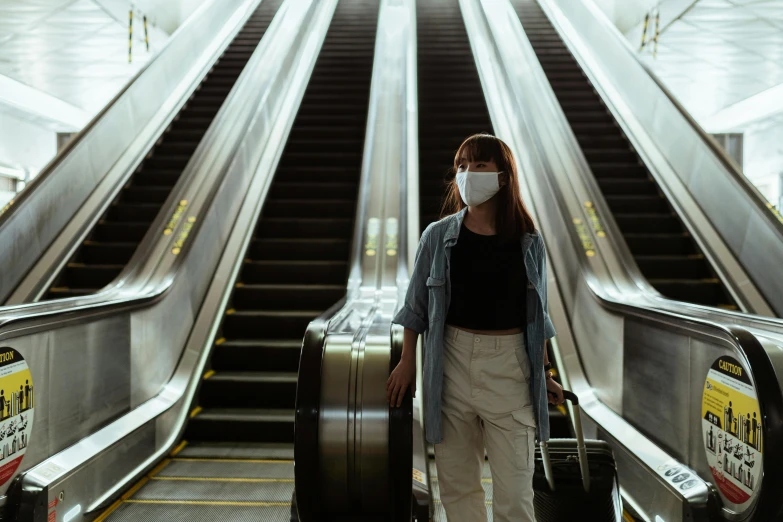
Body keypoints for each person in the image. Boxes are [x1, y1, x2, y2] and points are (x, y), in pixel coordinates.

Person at [387, 134, 564, 522]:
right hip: (450, 362)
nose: (467, 174)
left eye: (479, 165)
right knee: (459, 488)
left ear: (502, 177)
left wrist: (545, 372)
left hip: (511, 366)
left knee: (515, 492)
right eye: (462, 167)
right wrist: (406, 360)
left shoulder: (528, 241)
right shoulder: (437, 236)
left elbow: (538, 313)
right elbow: (416, 305)